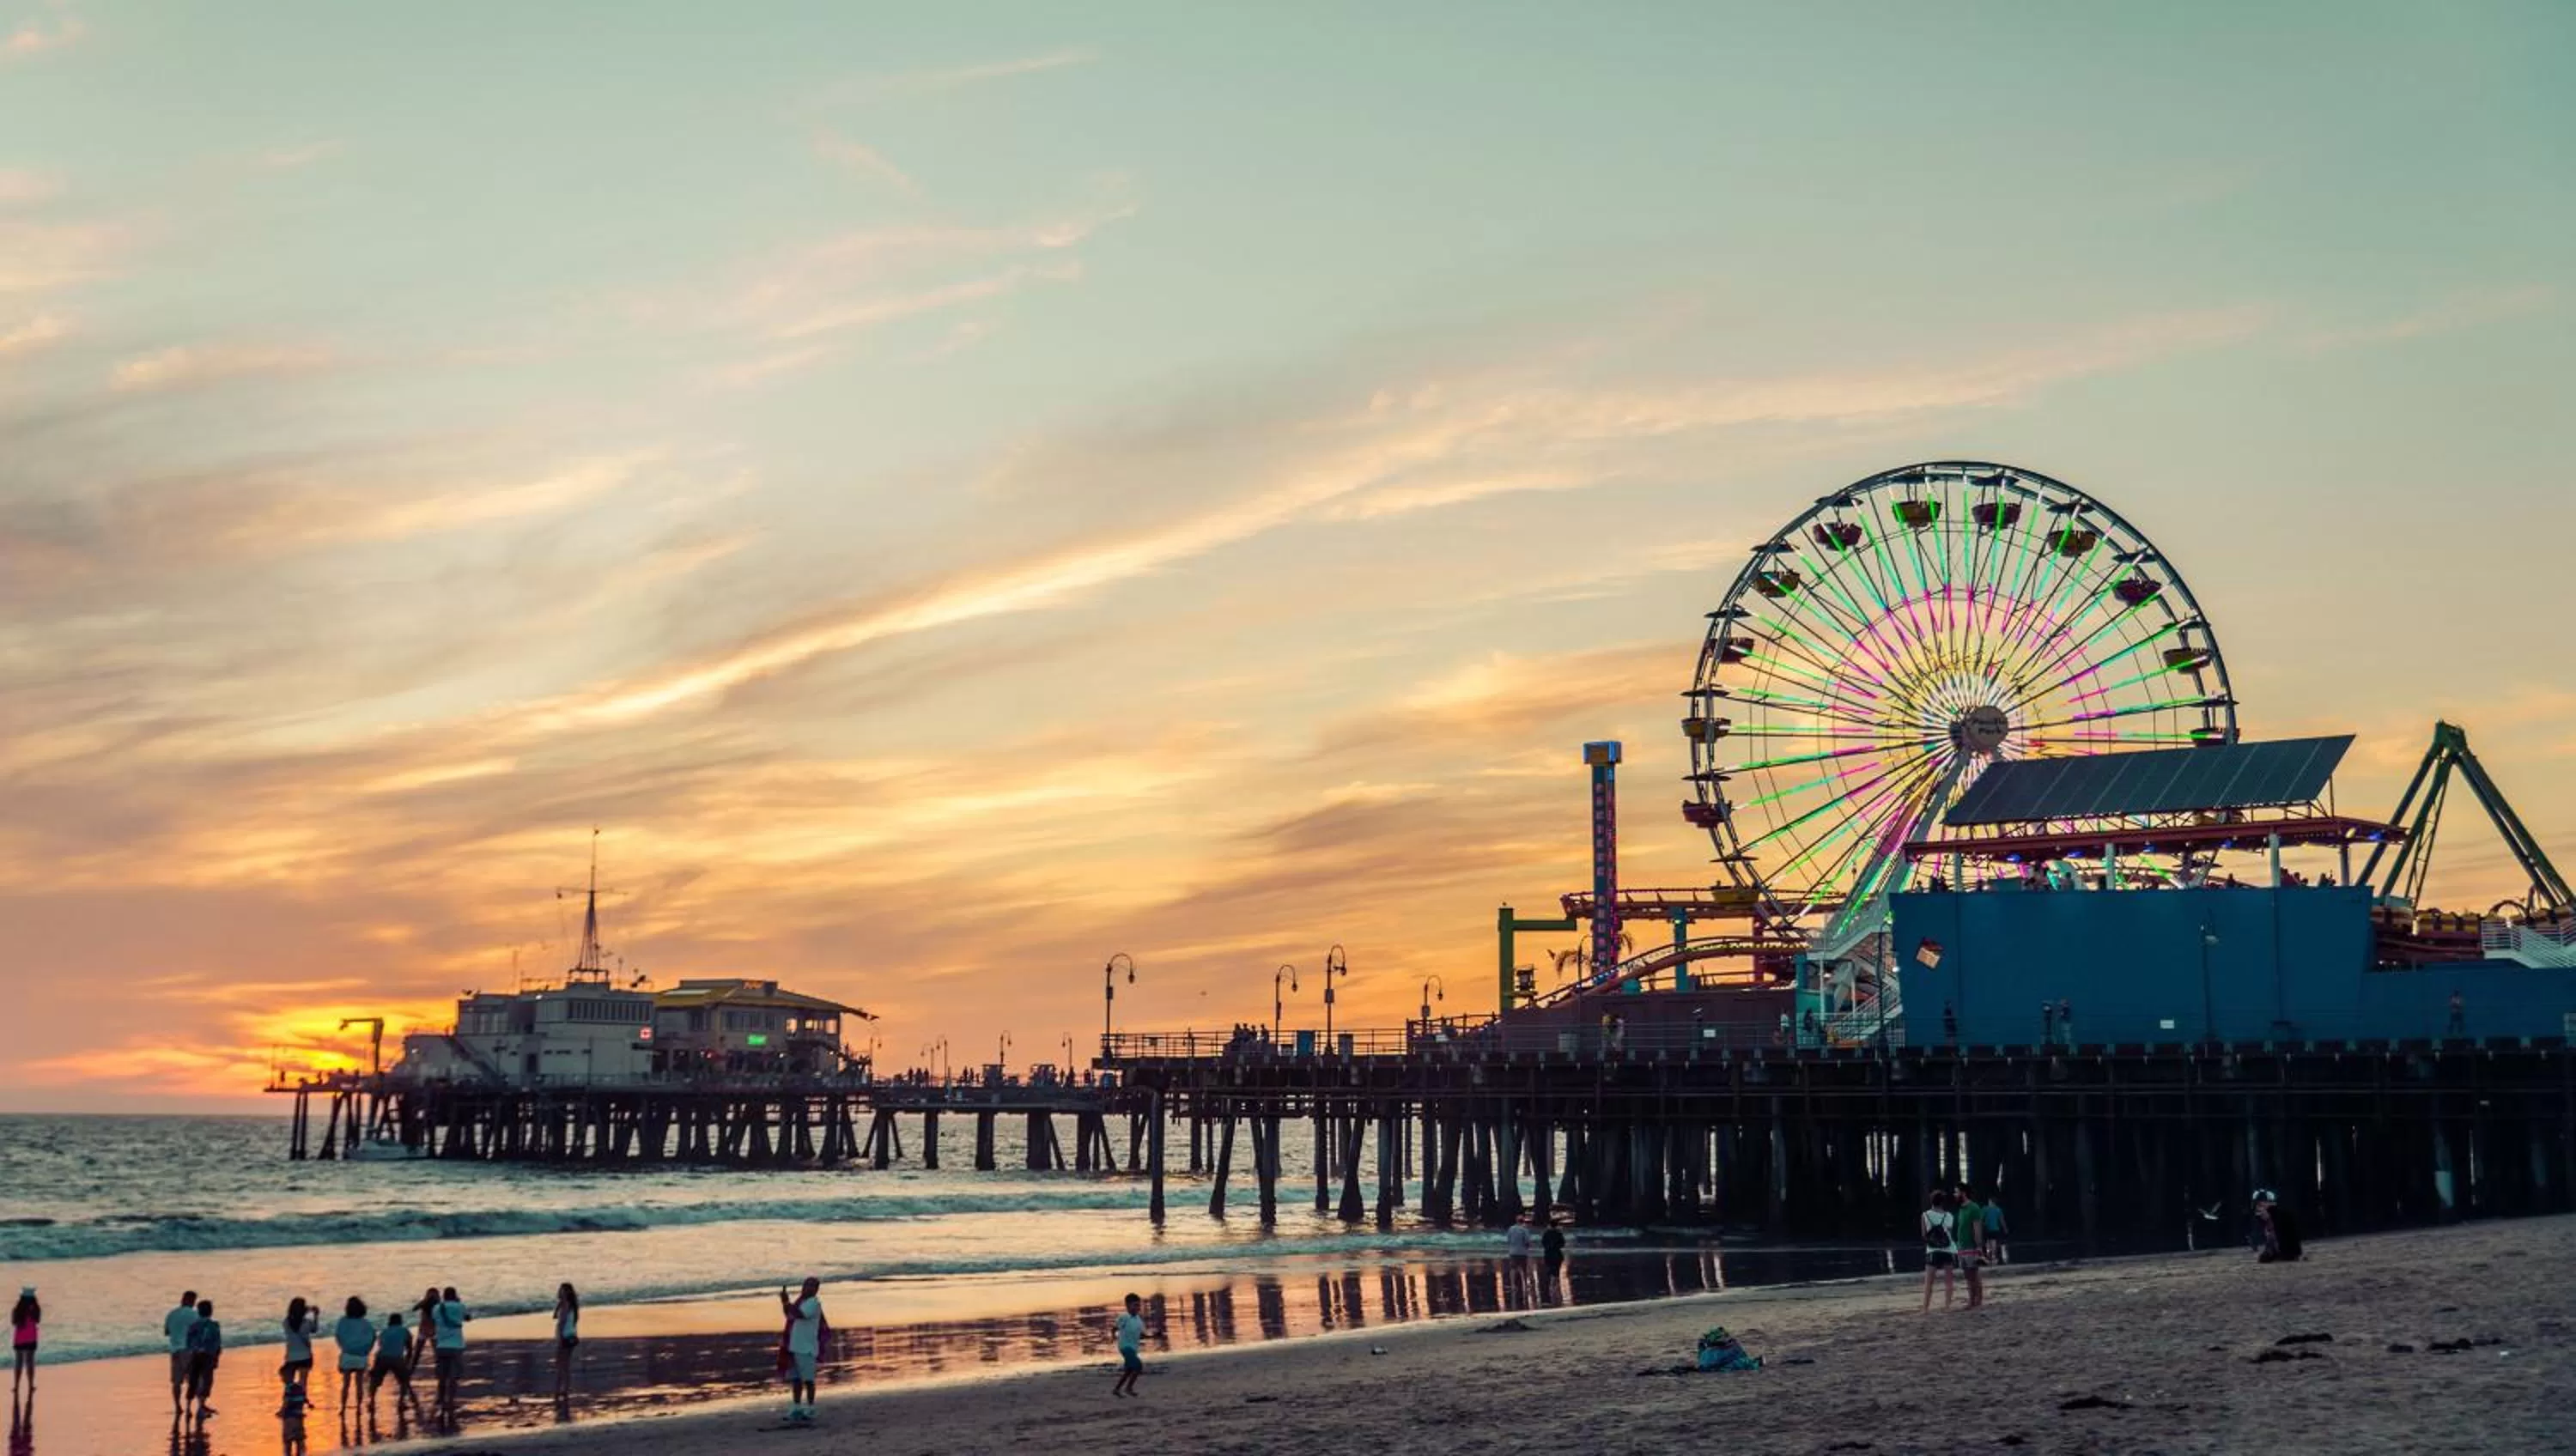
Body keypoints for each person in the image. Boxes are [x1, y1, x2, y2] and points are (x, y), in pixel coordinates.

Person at [779, 1276, 824, 1423]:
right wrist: (785, 1302)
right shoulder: (800, 1302)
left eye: (812, 1286)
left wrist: (787, 1302)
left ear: (816, 1290)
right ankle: (797, 1407)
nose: (808, 1289)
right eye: (806, 1286)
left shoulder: (813, 1303)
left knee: (809, 1380)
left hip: (807, 1347)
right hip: (795, 1345)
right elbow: (789, 1314)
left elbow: (800, 1314)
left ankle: (811, 1408)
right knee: (796, 1380)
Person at [429, 1286, 469, 1420]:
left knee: (442, 1376)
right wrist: (459, 1303)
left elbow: (434, 1320)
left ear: (444, 1296)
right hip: (457, 1345)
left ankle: (441, 1400)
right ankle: (450, 1400)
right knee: (454, 1376)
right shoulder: (460, 1306)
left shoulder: (436, 1308)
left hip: (441, 1345)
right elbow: (468, 1318)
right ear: (455, 1295)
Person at [330, 1298, 372, 1417]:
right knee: (359, 1383)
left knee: (346, 1384)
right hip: (361, 1356)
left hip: (347, 1354)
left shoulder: (343, 1321)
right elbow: (371, 1337)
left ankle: (343, 1408)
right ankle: (359, 1408)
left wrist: (344, 1347)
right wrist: (366, 1351)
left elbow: (338, 1336)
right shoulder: (365, 1322)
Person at [184, 1298, 222, 1422]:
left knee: (194, 1381)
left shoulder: (193, 1326)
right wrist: (217, 1357)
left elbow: (188, 1343)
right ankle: (201, 1407)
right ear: (211, 1311)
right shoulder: (214, 1325)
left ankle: (189, 1407)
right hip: (208, 1356)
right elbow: (217, 1343)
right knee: (206, 1381)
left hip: (195, 1355)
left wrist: (190, 1353)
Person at [277, 1296, 317, 1416]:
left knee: (289, 1383)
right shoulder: (307, 1323)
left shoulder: (286, 1322)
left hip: (291, 1357)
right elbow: (315, 1329)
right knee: (303, 1382)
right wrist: (315, 1315)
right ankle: (299, 1406)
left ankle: (285, 1406)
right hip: (305, 1356)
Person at [164, 1289, 200, 1417]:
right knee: (193, 1380)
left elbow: (167, 1332)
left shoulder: (172, 1314)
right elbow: (198, 1332)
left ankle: (178, 1406)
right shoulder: (194, 1315)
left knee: (176, 1382)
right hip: (188, 1350)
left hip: (175, 1350)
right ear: (192, 1301)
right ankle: (194, 1406)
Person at [1919, 1190, 1957, 1313]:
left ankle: (1925, 1307)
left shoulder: (1925, 1215)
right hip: (1947, 1249)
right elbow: (1950, 1234)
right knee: (1949, 1280)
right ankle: (1947, 1306)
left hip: (1932, 1250)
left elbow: (1924, 1235)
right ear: (1943, 1202)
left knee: (1929, 1281)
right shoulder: (1949, 1216)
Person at [368, 1314, 415, 1411]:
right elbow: (409, 1348)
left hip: (381, 1357)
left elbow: (381, 1345)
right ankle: (401, 1403)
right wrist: (407, 1363)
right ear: (400, 1321)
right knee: (404, 1380)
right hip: (396, 1357)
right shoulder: (404, 1331)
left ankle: (371, 1402)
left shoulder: (384, 1331)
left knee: (375, 1381)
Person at [1951, 1187, 1986, 1310]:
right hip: (1962, 1246)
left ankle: (1977, 1300)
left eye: (1956, 1192)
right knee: (1967, 1274)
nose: (1954, 1194)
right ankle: (1972, 1299)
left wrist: (1979, 1246)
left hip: (1971, 1246)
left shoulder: (1974, 1208)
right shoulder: (1961, 1209)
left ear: (1963, 1193)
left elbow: (1977, 1228)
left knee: (1974, 1273)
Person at [1110, 1292, 1145, 1398]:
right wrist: (1113, 1337)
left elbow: (1142, 1335)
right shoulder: (1124, 1317)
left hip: (1133, 1348)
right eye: (1135, 1305)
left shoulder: (1139, 1320)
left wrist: (1155, 1336)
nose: (1137, 1308)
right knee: (1138, 1366)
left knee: (1129, 1370)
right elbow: (1114, 1328)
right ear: (1128, 1306)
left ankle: (1116, 1390)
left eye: (1138, 1305)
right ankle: (1128, 1388)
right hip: (1125, 1347)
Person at [404, 1287, 440, 1379]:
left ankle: (410, 1371)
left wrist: (424, 1301)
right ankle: (439, 1372)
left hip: (425, 1330)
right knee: (436, 1354)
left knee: (417, 1353)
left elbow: (414, 1308)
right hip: (432, 1330)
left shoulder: (426, 1304)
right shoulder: (438, 1304)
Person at [550, 1283, 580, 1403]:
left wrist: (560, 1339)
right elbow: (555, 1316)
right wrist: (559, 1305)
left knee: (560, 1365)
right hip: (571, 1336)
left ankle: (558, 1391)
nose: (560, 1293)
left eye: (562, 1291)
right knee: (565, 1366)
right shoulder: (571, 1305)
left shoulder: (566, 1305)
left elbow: (561, 1322)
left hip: (565, 1337)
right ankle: (564, 1390)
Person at [8, 1289, 35, 1399]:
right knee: (30, 1362)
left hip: (19, 1338)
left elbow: (13, 1322)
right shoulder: (35, 1309)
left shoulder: (17, 1310)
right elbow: (38, 1321)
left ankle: (16, 1386)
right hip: (32, 1337)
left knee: (18, 1362)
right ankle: (31, 1385)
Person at [1504, 1212, 1535, 1301]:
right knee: (1524, 1270)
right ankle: (1525, 1284)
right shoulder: (1524, 1230)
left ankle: (1513, 1285)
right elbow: (1527, 1242)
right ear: (1523, 1221)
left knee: (1513, 1269)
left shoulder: (1511, 1229)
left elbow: (1508, 1240)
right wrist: (1528, 1248)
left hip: (1513, 1252)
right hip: (1522, 1252)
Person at [1540, 1219, 1567, 1297]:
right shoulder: (1558, 1233)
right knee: (1556, 1271)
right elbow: (1562, 1244)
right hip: (1557, 1254)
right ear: (1556, 1225)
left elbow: (1543, 1243)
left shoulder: (1546, 1233)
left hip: (1548, 1254)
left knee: (1550, 1270)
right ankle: (1555, 1286)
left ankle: (1551, 1286)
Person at [1980, 1192, 2008, 1265]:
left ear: (1991, 1201)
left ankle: (1989, 1257)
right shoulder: (1998, 1210)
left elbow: (1981, 1219)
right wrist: (2005, 1229)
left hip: (1987, 1229)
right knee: (1994, 1243)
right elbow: (2002, 1221)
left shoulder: (1985, 1209)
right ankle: (1994, 1257)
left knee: (1987, 1244)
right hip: (1996, 1229)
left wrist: (1982, 1226)